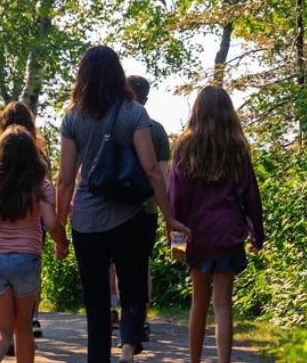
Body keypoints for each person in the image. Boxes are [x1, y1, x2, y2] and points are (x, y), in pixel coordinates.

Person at [56, 45, 189, 363]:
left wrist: (59, 227)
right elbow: (152, 170)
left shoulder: (73, 117)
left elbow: (64, 178)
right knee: (133, 289)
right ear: (118, 74)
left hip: (86, 221)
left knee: (96, 300)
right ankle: (128, 348)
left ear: (82, 76)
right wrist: (169, 216)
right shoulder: (134, 112)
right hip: (130, 217)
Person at [169, 86, 265, 363]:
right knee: (223, 304)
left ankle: (195, 360)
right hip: (227, 232)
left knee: (198, 303)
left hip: (196, 233)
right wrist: (257, 232)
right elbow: (251, 194)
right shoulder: (237, 148)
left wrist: (176, 236)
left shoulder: (185, 146)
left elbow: (178, 197)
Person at [0, 126, 68, 363]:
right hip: (25, 258)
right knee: (23, 326)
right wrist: (62, 244)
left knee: (1, 330)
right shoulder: (40, 185)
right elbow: (52, 222)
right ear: (32, 154)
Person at [0, 102, 49, 337]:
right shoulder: (38, 150)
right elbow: (46, 181)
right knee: (31, 260)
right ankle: (32, 316)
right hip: (31, 215)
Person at [108, 75, 171, 342]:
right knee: (140, 265)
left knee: (109, 262)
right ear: (145, 98)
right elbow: (164, 176)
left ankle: (111, 310)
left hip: (110, 206)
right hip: (145, 208)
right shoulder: (156, 130)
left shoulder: (108, 124)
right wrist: (169, 213)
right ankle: (140, 319)